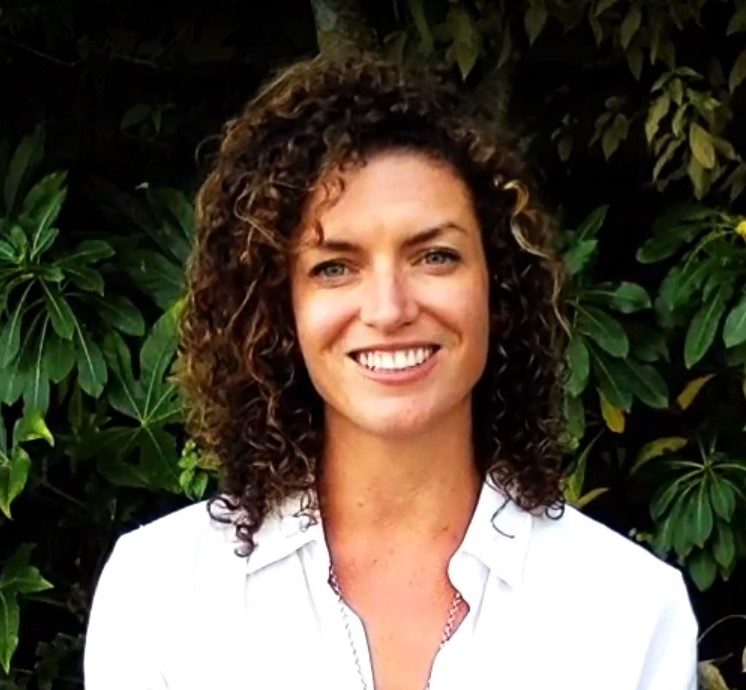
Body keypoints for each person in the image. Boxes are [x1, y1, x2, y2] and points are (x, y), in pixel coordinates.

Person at [83, 54, 698, 690]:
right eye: (335, 267)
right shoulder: (160, 595)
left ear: (499, 286)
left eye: (435, 256)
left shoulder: (630, 610)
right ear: (276, 307)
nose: (390, 309)